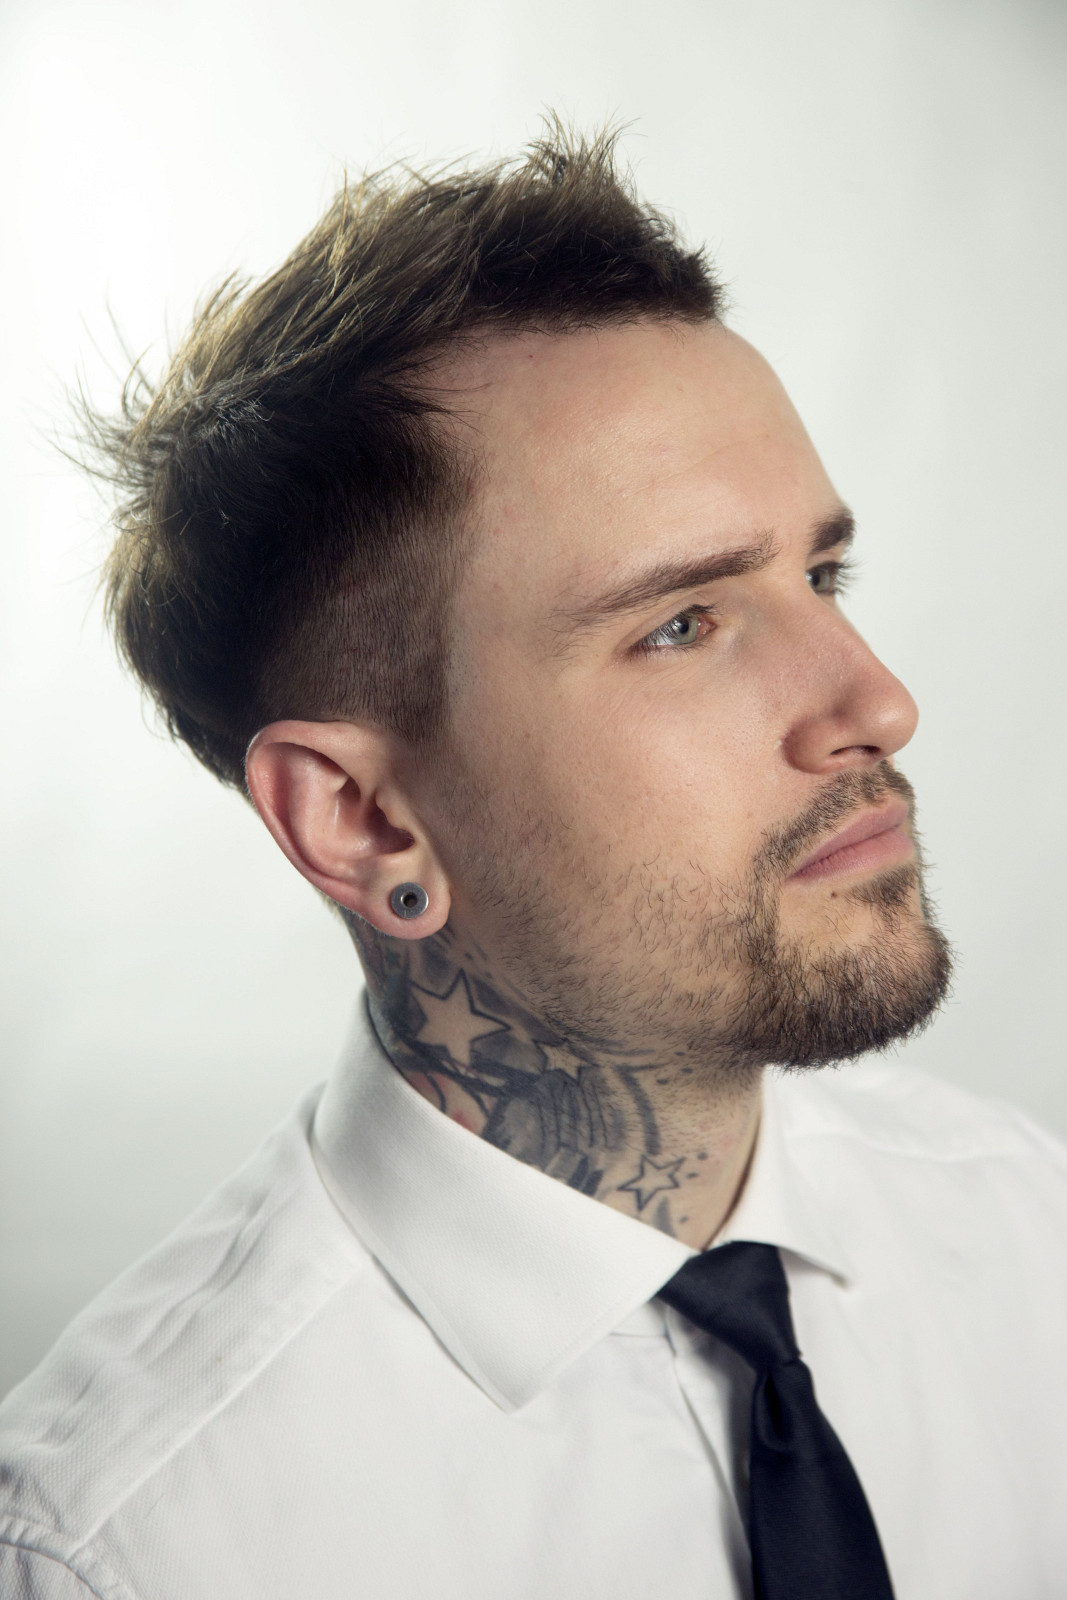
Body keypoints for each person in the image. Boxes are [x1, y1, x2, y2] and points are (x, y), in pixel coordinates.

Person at [1, 125, 1065, 1600]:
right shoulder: (129, 1548)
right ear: (361, 820)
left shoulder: (1027, 1232)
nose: (878, 703)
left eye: (822, 575)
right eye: (681, 625)